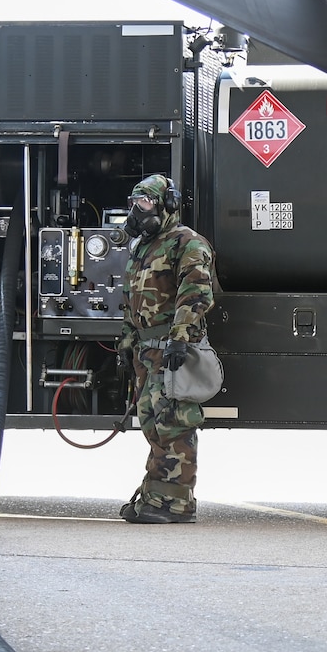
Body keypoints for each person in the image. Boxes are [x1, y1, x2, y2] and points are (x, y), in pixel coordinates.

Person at [120, 173, 216, 524]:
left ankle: (177, 503)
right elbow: (131, 301)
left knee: (174, 423)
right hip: (146, 351)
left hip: (171, 349)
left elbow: (196, 294)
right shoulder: (143, 247)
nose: (137, 210)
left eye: (144, 202)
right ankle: (156, 494)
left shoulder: (187, 243)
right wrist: (127, 343)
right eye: (134, 203)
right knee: (151, 423)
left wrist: (180, 338)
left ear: (167, 205)